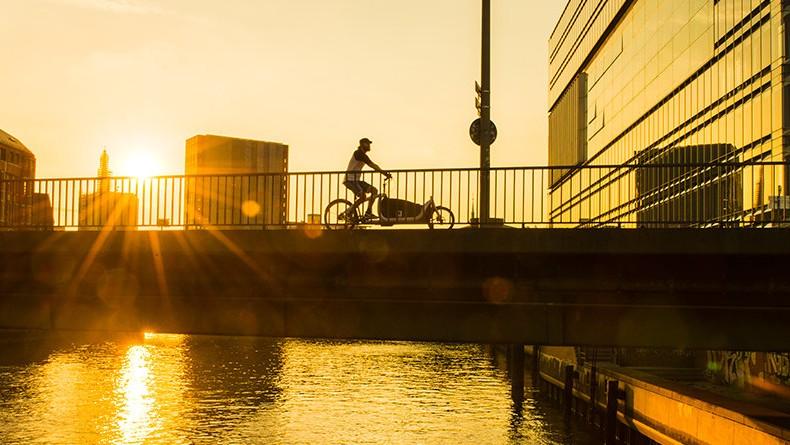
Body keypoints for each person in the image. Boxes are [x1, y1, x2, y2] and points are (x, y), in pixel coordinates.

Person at [343, 137, 391, 221]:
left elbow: (373, 164)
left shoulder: (363, 155)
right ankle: (348, 213)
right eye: (367, 144)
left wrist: (383, 172)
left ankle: (368, 213)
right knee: (362, 196)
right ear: (362, 145)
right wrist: (384, 172)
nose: (369, 146)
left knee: (374, 191)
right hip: (349, 180)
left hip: (356, 180)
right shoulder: (359, 153)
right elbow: (372, 165)